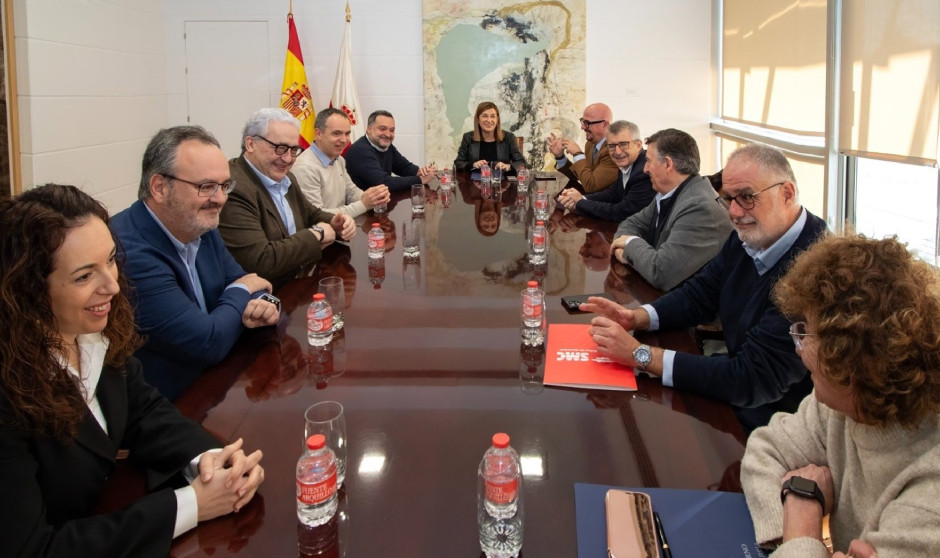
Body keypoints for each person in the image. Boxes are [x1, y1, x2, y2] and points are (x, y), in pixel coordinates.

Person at [0, 184, 265, 558]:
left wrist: (209, 458)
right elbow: (33, 548)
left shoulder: (92, 335)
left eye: (110, 260)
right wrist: (190, 505)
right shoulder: (9, 394)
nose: (112, 285)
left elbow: (144, 410)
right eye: (83, 276)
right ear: (28, 290)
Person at [582, 143, 827, 432]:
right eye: (729, 198)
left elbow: (752, 379)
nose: (734, 212)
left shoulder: (817, 270)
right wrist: (637, 317)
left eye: (747, 197)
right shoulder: (751, 235)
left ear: (787, 193)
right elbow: (701, 293)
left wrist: (640, 355)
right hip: (738, 390)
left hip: (781, 423)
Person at [742, 234, 940, 557]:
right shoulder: (841, 406)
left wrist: (802, 533)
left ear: (850, 360)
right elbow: (764, 450)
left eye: (806, 331)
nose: (799, 346)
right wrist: (794, 529)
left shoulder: (931, 495)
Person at [111, 125, 281, 401]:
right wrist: (239, 294)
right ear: (159, 187)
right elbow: (208, 341)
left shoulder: (199, 223)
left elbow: (251, 286)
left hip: (221, 380)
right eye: (206, 187)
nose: (220, 199)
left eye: (224, 186)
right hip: (173, 403)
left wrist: (264, 305)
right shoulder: (129, 252)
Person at [219, 108, 356, 291]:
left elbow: (309, 212)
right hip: (269, 296)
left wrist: (336, 222)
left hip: (300, 281)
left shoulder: (285, 176)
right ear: (250, 144)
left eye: (293, 150)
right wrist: (317, 234)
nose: (287, 158)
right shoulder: (233, 189)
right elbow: (261, 261)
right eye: (280, 148)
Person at [607, 128, 732, 291]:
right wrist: (628, 249)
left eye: (649, 161)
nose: (645, 169)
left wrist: (630, 244)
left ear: (667, 164)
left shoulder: (700, 208)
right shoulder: (668, 193)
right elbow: (630, 223)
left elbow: (660, 272)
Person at [291, 108, 390, 217]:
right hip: (323, 230)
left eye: (347, 134)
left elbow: (350, 191)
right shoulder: (304, 168)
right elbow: (317, 216)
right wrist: (364, 204)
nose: (344, 140)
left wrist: (374, 198)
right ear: (318, 134)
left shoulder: (338, 159)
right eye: (336, 133)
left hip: (342, 227)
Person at [557, 120, 654, 222]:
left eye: (624, 144)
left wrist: (580, 203)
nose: (617, 152)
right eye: (612, 146)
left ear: (638, 145)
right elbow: (614, 193)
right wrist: (581, 198)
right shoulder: (627, 162)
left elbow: (622, 212)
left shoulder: (644, 171)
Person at [344, 109, 437, 192]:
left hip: (380, 204)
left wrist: (420, 172)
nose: (388, 134)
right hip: (362, 208)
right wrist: (420, 180)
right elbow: (383, 182)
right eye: (382, 129)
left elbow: (403, 167)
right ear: (369, 129)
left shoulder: (385, 146)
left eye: (392, 130)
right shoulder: (361, 151)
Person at [548, 102, 619, 193]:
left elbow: (591, 185)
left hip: (606, 204)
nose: (582, 127)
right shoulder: (590, 144)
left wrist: (578, 154)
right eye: (582, 121)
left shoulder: (614, 150)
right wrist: (560, 157)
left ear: (605, 124)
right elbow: (582, 175)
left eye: (587, 123)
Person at [454, 102, 527, 174]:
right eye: (485, 116)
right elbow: (458, 163)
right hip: (474, 183)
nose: (489, 120)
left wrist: (508, 166)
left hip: (502, 183)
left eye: (492, 116)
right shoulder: (468, 137)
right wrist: (473, 165)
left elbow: (521, 162)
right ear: (478, 119)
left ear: (497, 119)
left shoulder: (509, 137)